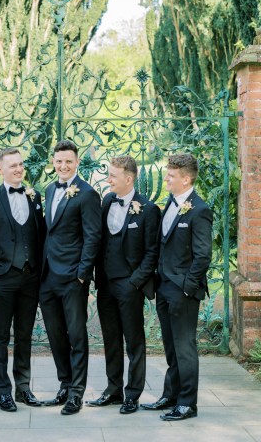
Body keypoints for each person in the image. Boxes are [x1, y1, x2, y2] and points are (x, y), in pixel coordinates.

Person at [141, 153, 213, 421]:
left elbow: (203, 255)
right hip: (164, 286)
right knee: (171, 346)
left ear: (186, 178)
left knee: (185, 347)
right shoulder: (170, 204)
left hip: (183, 290)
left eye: (171, 176)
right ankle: (170, 395)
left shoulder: (200, 210)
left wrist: (187, 286)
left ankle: (187, 403)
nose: (167, 179)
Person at [87, 155, 160, 414]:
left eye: (113, 176)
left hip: (129, 286)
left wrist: (136, 282)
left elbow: (152, 252)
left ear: (128, 179)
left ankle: (132, 394)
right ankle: (113, 390)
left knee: (134, 342)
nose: (108, 180)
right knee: (111, 340)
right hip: (106, 284)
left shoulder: (148, 209)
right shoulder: (107, 201)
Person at [0, 147, 45, 412]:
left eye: (20, 164)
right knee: (0, 336)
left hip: (30, 277)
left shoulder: (34, 195)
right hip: (3, 277)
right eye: (12, 165)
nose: (18, 169)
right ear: (0, 169)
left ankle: (23, 388)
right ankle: (3, 392)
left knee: (25, 334)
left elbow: (38, 234)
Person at [40, 139, 101, 415]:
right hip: (48, 276)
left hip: (73, 277)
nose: (63, 166)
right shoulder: (50, 190)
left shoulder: (87, 194)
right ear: (53, 162)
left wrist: (82, 275)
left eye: (68, 161)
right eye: (59, 161)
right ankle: (64, 384)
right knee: (55, 334)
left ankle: (77, 393)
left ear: (77, 162)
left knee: (76, 335)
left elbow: (92, 236)